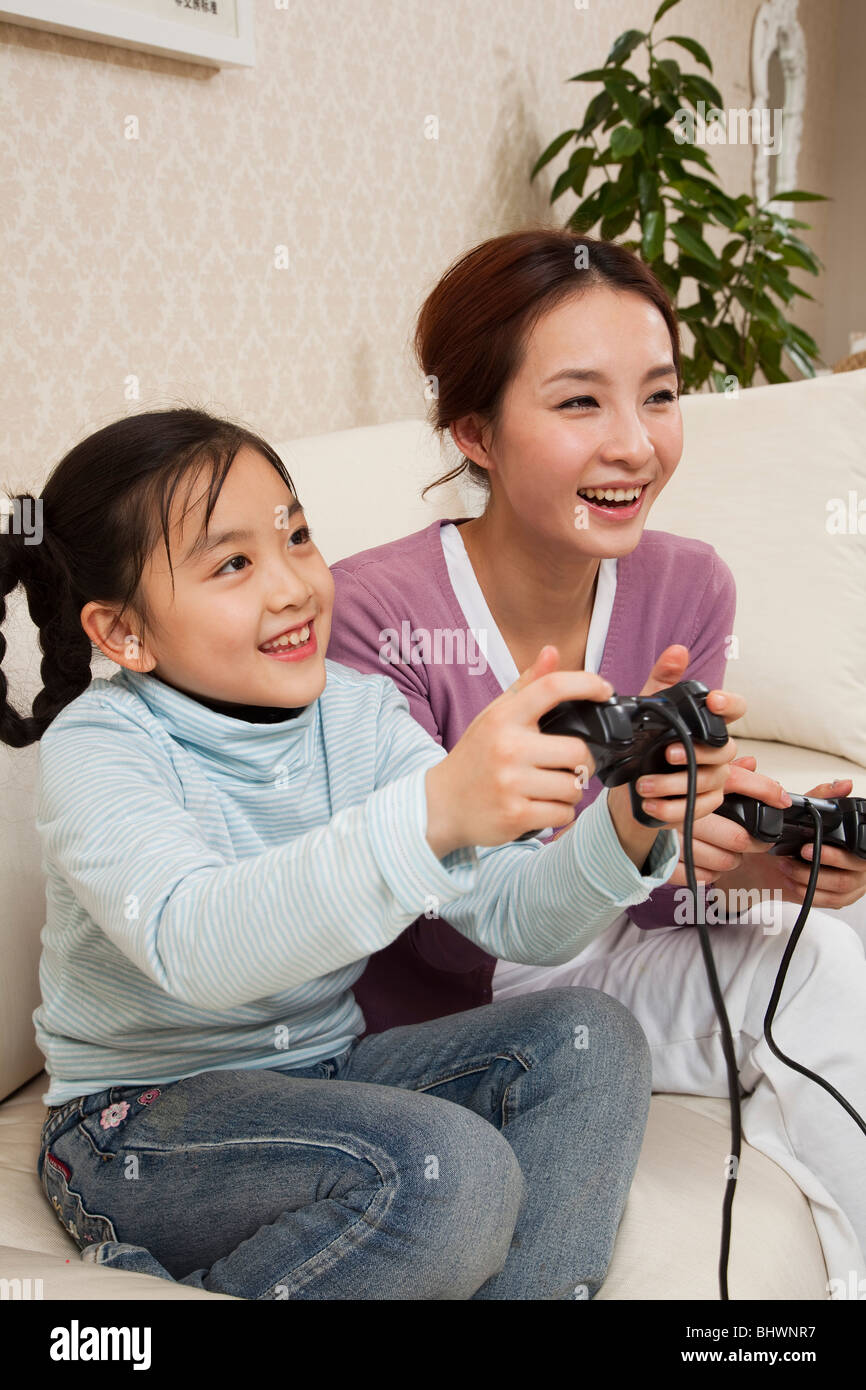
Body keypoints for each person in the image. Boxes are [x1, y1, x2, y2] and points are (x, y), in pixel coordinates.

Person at [0, 407, 737, 1300]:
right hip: (139, 1125)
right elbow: (193, 943)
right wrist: (432, 815)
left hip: (327, 1075)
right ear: (124, 635)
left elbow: (512, 915)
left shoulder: (357, 713)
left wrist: (625, 821)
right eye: (233, 563)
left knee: (589, 1039)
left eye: (297, 537)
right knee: (450, 1172)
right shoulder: (103, 744)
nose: (292, 586)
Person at [326, 227, 866, 1291]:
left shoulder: (685, 584)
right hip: (462, 1009)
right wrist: (634, 831)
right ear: (473, 429)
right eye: (579, 402)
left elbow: (660, 869)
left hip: (617, 957)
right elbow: (410, 900)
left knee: (830, 947)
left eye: (657, 396)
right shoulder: (373, 615)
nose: (634, 444)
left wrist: (740, 862)